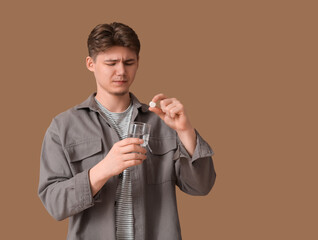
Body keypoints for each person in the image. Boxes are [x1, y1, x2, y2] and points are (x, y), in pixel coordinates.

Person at [38, 22, 216, 240]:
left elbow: (201, 186)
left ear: (138, 63)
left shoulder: (162, 121)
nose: (121, 71)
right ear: (90, 64)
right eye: (111, 63)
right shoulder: (62, 127)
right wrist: (103, 169)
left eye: (129, 62)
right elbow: (54, 204)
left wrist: (186, 131)